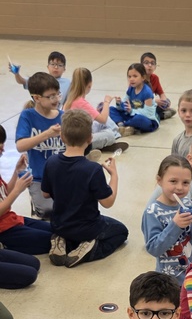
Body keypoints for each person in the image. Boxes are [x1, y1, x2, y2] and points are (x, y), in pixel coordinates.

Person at [41, 109, 128, 267]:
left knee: (70, 230)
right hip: (87, 228)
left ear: (62, 137)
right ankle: (89, 248)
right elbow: (108, 202)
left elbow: (45, 194)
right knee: (121, 231)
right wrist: (114, 176)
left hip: (59, 224)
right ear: (90, 139)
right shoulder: (92, 169)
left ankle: (62, 240)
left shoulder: (51, 162)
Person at [141, 155, 192, 285]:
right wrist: (175, 225)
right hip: (168, 280)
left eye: (185, 183)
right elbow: (154, 249)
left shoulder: (189, 203)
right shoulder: (153, 212)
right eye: (173, 181)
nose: (179, 188)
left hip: (191, 275)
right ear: (160, 181)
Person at [15, 72, 65, 219]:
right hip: (39, 178)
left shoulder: (63, 116)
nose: (56, 99)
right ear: (37, 98)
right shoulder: (28, 116)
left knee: (74, 208)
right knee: (49, 212)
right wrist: (47, 134)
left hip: (62, 177)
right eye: (51, 96)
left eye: (57, 94)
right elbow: (20, 146)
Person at [0, 124, 52, 253]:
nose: (3, 149)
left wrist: (17, 173)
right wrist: (17, 190)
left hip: (11, 219)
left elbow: (4, 193)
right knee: (54, 240)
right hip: (4, 230)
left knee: (57, 230)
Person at [63, 67, 124, 151]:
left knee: (105, 121)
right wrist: (106, 102)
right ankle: (106, 142)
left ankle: (109, 138)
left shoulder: (70, 99)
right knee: (110, 134)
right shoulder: (81, 102)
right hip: (79, 140)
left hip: (73, 134)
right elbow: (103, 119)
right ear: (89, 85)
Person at [109, 62, 158, 135]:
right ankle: (123, 126)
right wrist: (119, 103)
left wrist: (132, 111)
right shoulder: (130, 89)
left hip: (147, 120)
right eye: (129, 76)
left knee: (139, 119)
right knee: (110, 109)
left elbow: (149, 114)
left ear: (143, 77)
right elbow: (125, 107)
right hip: (131, 115)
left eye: (135, 76)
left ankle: (124, 124)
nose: (131, 79)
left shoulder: (147, 92)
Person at [140, 51, 175, 120]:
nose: (149, 65)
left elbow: (161, 93)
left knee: (167, 102)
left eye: (152, 63)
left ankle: (158, 114)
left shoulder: (155, 78)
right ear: (141, 65)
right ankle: (160, 115)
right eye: (146, 63)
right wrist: (155, 101)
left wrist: (164, 102)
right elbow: (137, 99)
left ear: (155, 66)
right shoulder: (138, 79)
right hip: (140, 105)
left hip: (151, 104)